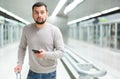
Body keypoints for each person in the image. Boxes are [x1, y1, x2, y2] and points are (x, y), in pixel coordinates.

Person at [14, 2, 64, 79]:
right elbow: (22, 47)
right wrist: (19, 64)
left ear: (47, 14)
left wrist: (45, 54)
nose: (39, 15)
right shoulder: (27, 29)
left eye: (42, 12)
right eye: (36, 12)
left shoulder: (54, 30)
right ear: (32, 14)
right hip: (33, 72)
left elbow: (61, 52)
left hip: (50, 74)